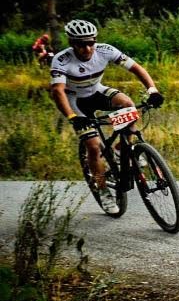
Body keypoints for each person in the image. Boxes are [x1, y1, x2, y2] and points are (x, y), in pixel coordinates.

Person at [49, 19, 163, 201]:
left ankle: (119, 149)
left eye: (90, 42)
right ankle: (102, 191)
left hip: (96, 91)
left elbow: (136, 69)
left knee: (129, 106)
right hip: (75, 101)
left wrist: (152, 90)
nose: (87, 48)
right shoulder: (62, 60)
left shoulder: (105, 50)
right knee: (93, 147)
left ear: (95, 40)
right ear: (71, 43)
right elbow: (57, 91)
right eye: (81, 44)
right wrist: (72, 116)